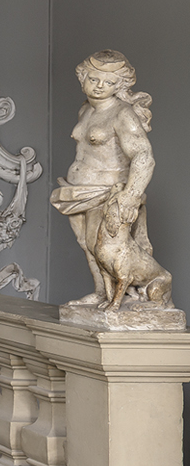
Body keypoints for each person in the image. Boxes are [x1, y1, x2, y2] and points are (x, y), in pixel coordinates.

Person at [50, 51, 175, 313]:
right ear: (82, 78)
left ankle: (123, 296)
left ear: (119, 86)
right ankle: (101, 292)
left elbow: (143, 155)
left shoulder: (122, 113)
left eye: (108, 82)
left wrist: (130, 195)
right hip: (78, 191)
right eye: (93, 79)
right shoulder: (86, 109)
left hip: (108, 192)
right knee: (87, 245)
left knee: (106, 248)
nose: (99, 86)